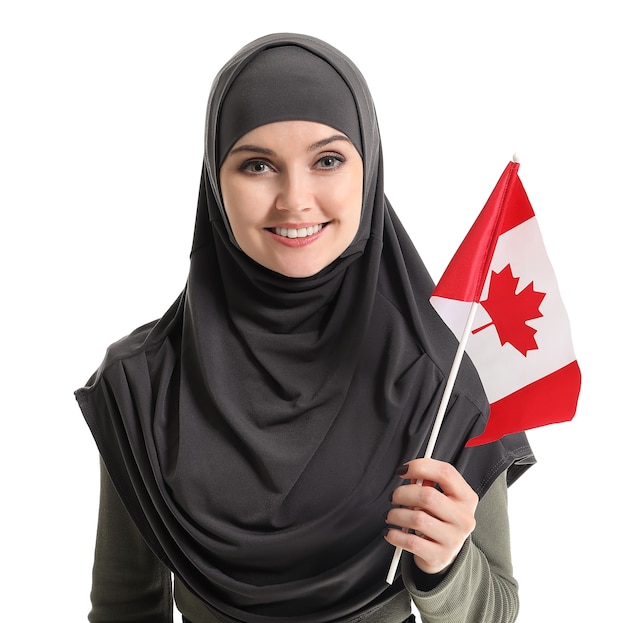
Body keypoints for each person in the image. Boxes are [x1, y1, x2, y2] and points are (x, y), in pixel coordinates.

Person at [75, 33, 535, 623]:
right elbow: (122, 609)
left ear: (368, 171)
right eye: (258, 165)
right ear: (215, 182)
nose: (295, 199)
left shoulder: (442, 384)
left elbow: (496, 612)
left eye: (328, 160)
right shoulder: (143, 385)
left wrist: (444, 567)